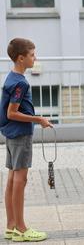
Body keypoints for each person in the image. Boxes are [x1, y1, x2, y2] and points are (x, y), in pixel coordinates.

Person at [0, 38, 52, 241]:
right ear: (21, 58)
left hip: (11, 133)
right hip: (20, 133)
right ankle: (21, 228)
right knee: (20, 180)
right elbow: (12, 112)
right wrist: (38, 119)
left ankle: (11, 226)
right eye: (32, 54)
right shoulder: (20, 82)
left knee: (12, 179)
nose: (35, 58)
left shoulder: (11, 76)